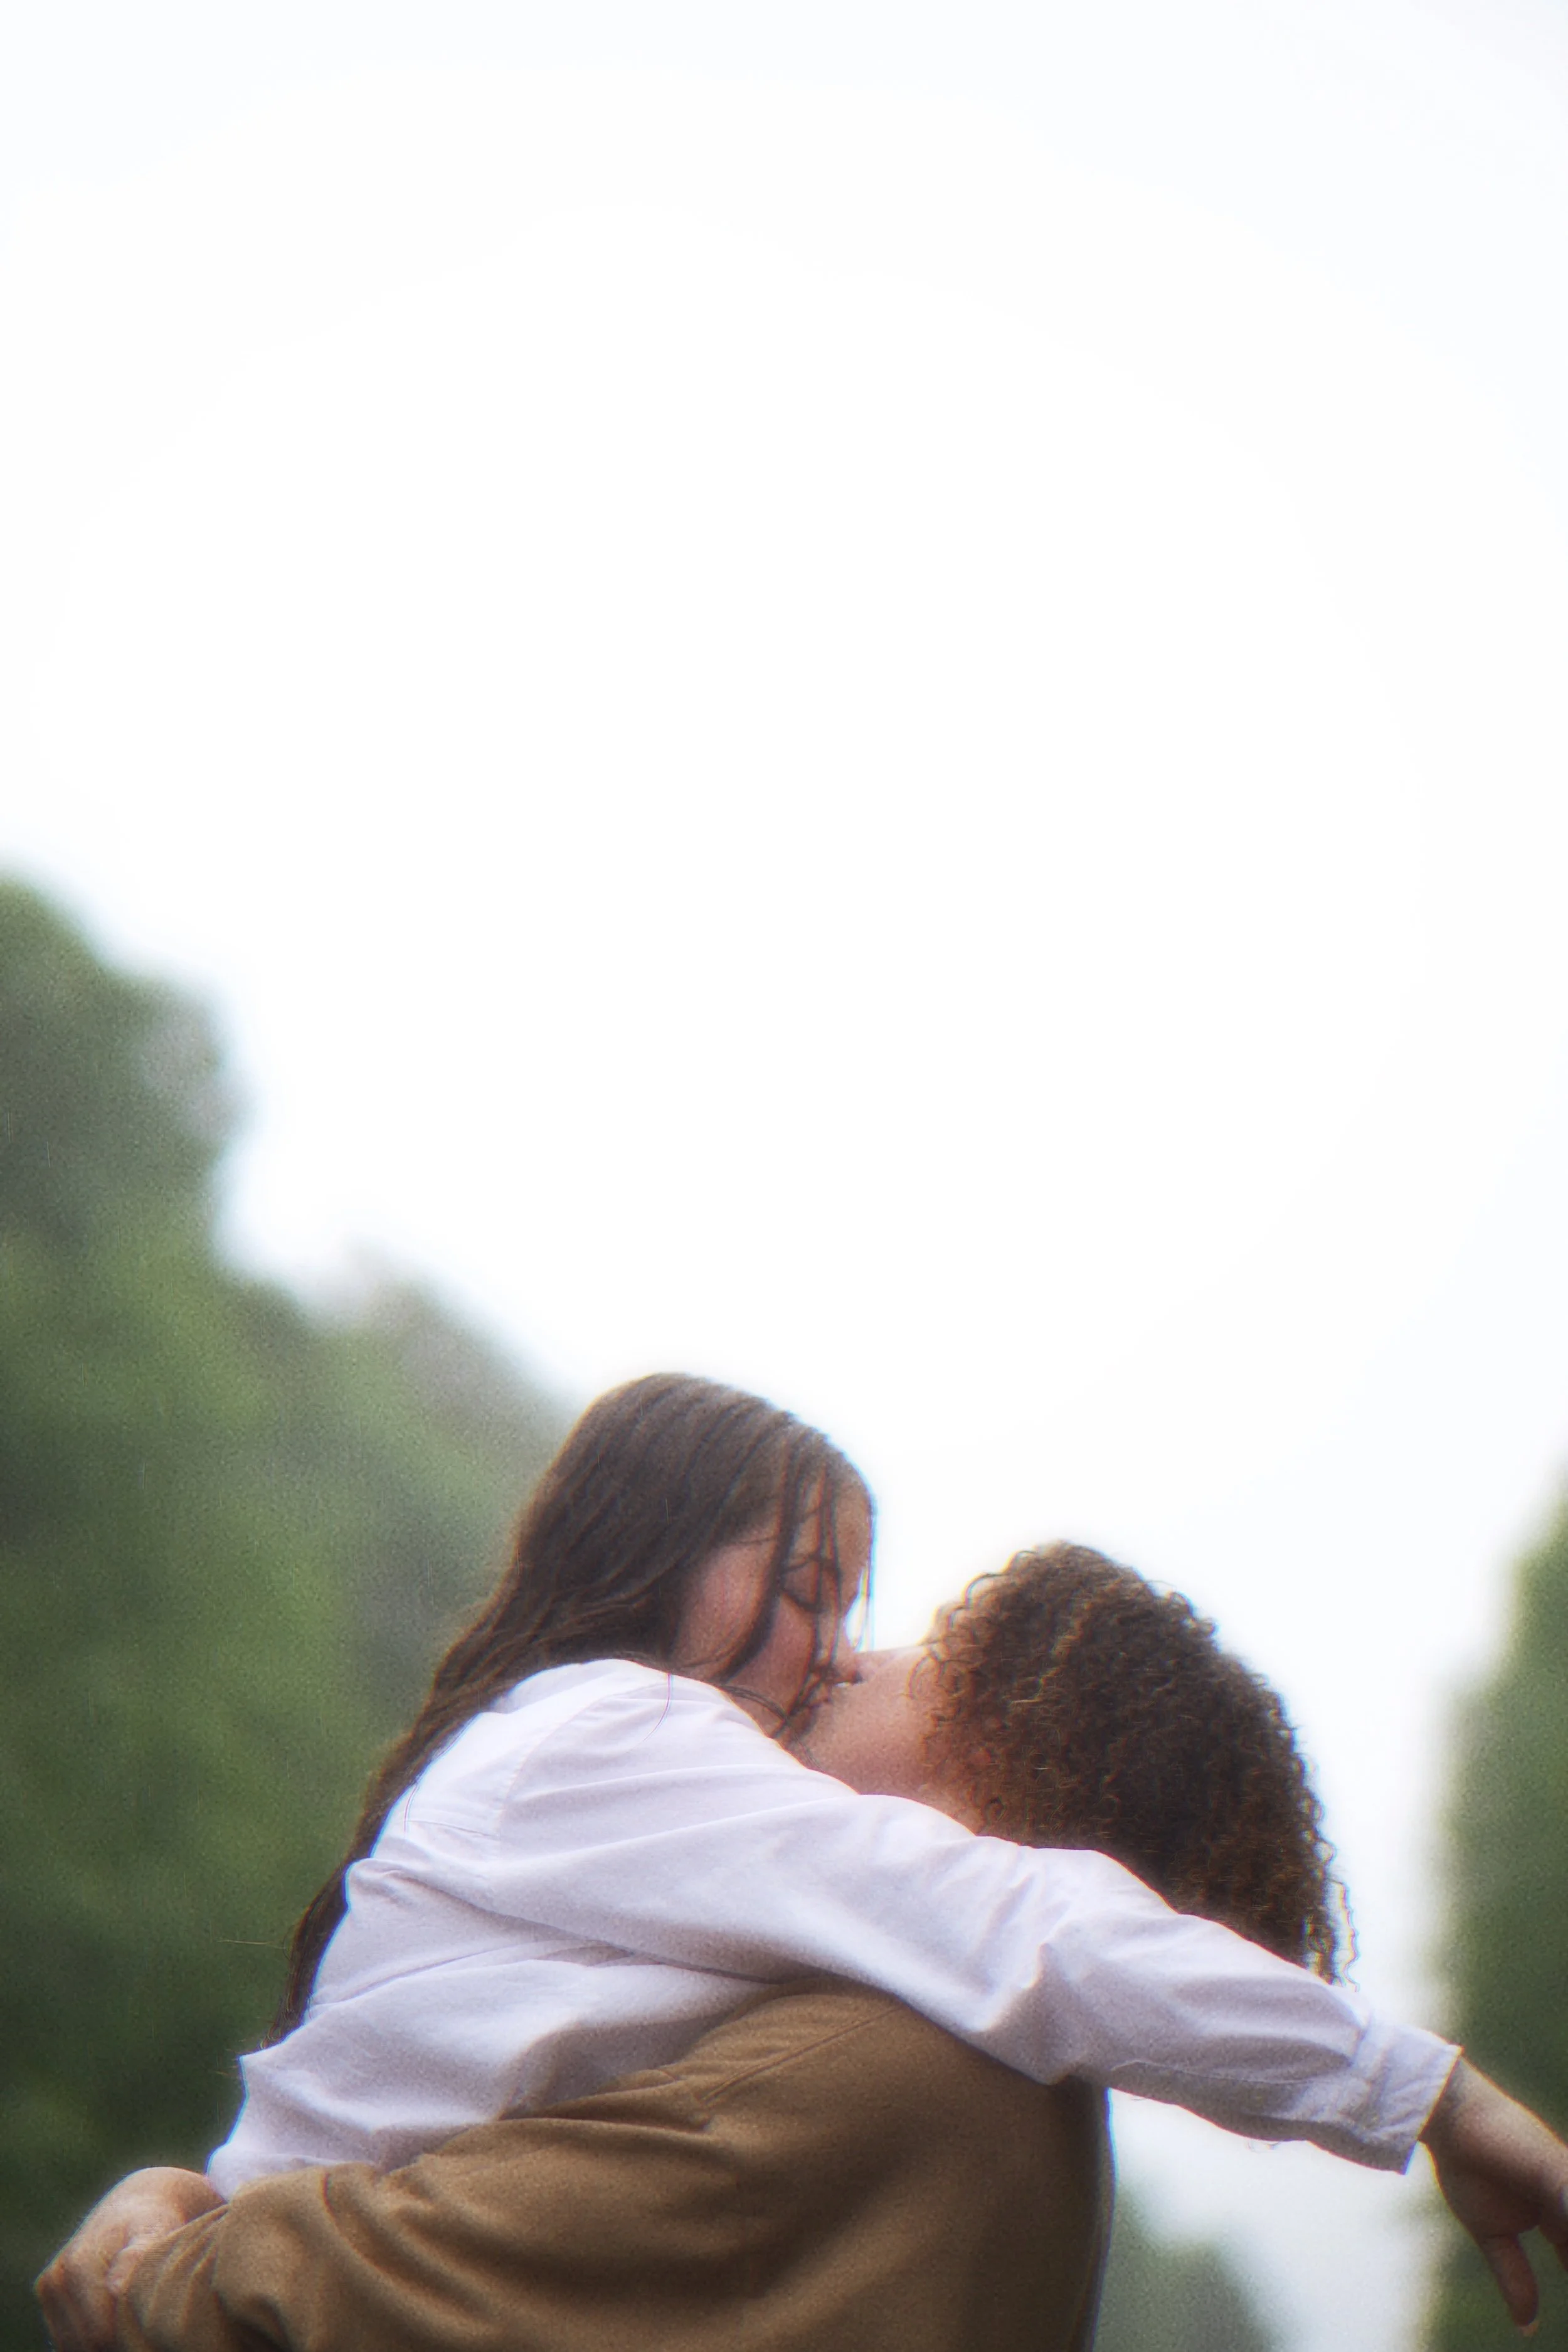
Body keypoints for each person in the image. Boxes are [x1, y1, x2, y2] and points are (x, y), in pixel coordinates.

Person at [36, 1392, 1568, 2344]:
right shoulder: (618, 1749)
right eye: (817, 1597)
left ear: (996, 1794)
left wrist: (181, 2244)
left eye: (904, 1645)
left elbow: (326, 2286)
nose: (846, 1656)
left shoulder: (906, 2054)